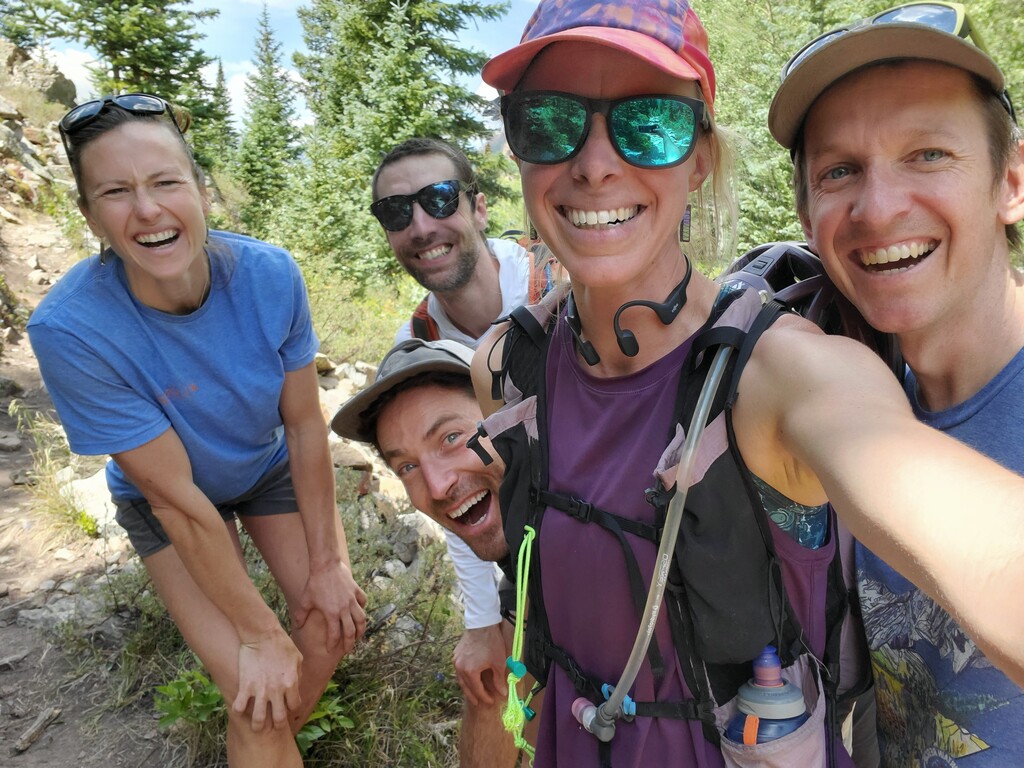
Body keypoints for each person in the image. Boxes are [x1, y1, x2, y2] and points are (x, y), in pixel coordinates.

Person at [470, 2, 1024, 767]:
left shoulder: (784, 372)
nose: (594, 163)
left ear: (701, 158)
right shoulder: (511, 370)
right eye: (548, 120)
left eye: (651, 121)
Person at [27, 94, 366, 768]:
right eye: (116, 192)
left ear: (201, 191)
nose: (147, 210)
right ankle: (262, 735)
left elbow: (304, 424)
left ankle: (262, 739)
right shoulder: (71, 329)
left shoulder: (269, 276)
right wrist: (259, 634)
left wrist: (330, 566)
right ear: (90, 217)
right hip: (168, 501)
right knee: (252, 688)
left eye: (165, 182)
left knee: (331, 627)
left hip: (262, 467)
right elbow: (177, 501)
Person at [768, 4, 1024, 765]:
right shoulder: (846, 406)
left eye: (928, 154)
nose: (878, 210)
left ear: (1012, 181)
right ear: (806, 216)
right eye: (839, 171)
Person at [370, 137, 558, 764]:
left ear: (478, 207)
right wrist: (481, 622)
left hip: (618, 520)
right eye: (396, 212)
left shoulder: (558, 281)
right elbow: (452, 490)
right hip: (524, 546)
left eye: (438, 198)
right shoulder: (417, 342)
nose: (421, 226)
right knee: (492, 687)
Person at [330, 338, 524, 767]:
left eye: (451, 437)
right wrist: (483, 623)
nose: (436, 486)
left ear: (509, 413)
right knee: (494, 683)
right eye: (408, 467)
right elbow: (468, 513)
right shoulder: (521, 536)